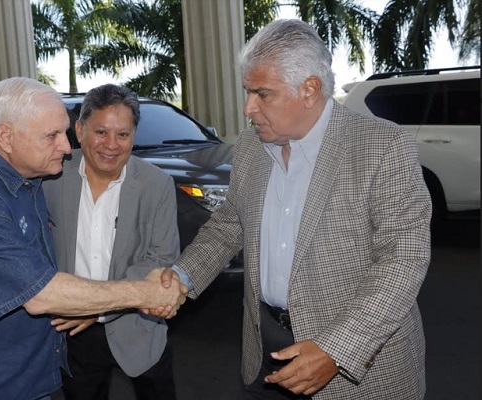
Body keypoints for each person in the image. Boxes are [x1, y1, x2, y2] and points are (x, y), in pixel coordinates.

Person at [162, 19, 432, 399]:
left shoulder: (382, 146)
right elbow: (227, 226)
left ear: (309, 90)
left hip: (360, 368)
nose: (247, 108)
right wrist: (181, 277)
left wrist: (337, 349)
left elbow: (403, 258)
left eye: (262, 93)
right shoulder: (250, 147)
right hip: (267, 351)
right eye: (247, 92)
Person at [0, 77, 187, 400]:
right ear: (7, 137)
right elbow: (41, 294)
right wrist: (147, 293)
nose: (65, 146)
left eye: (63, 132)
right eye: (53, 135)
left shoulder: (27, 173)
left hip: (37, 365)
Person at [43, 84, 179, 400]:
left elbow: (162, 257)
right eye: (101, 132)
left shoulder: (156, 184)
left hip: (140, 325)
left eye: (123, 135)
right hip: (72, 330)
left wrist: (98, 306)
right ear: (79, 129)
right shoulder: (51, 178)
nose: (111, 145)